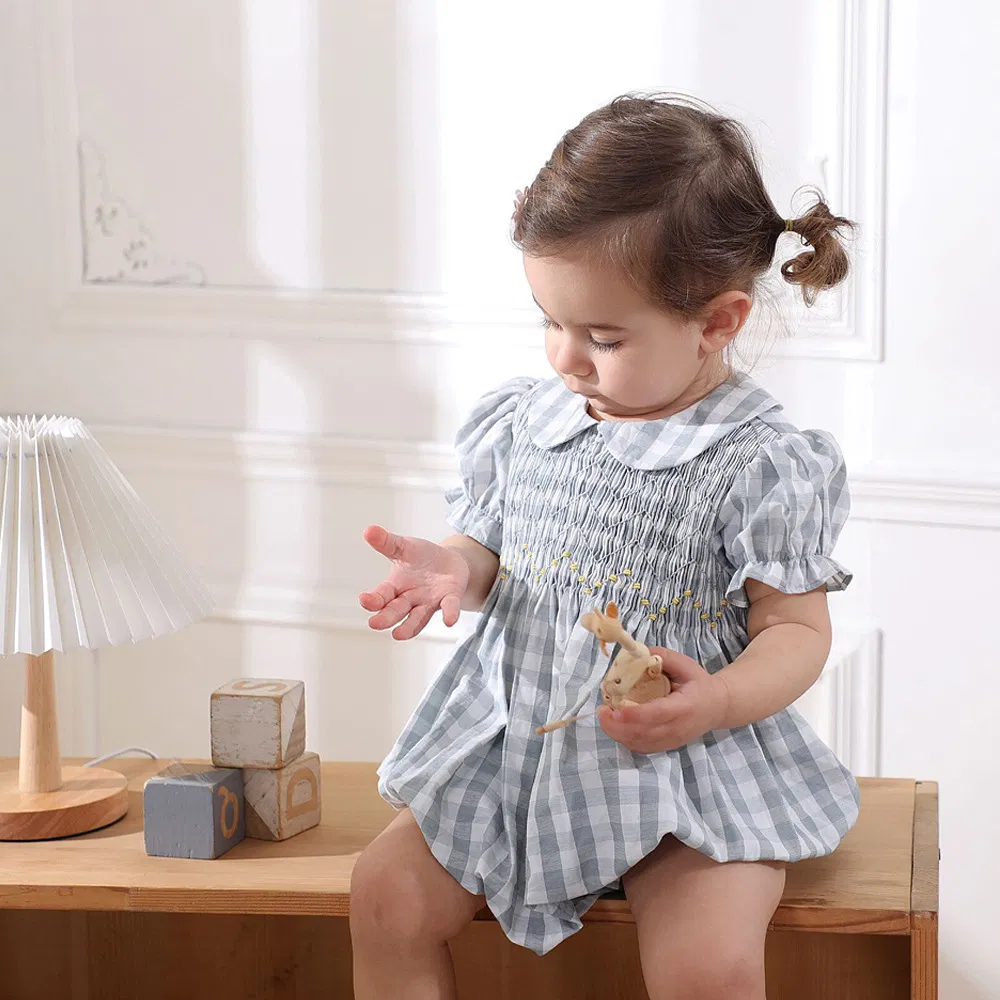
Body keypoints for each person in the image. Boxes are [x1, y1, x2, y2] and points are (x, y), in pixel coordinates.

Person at [351, 92, 859, 1000]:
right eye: (549, 320)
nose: (565, 358)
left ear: (718, 322)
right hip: (521, 749)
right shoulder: (524, 421)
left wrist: (719, 701)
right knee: (383, 896)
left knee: (708, 966)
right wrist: (455, 568)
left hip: (689, 763)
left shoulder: (762, 462)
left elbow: (797, 632)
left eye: (604, 336)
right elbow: (495, 551)